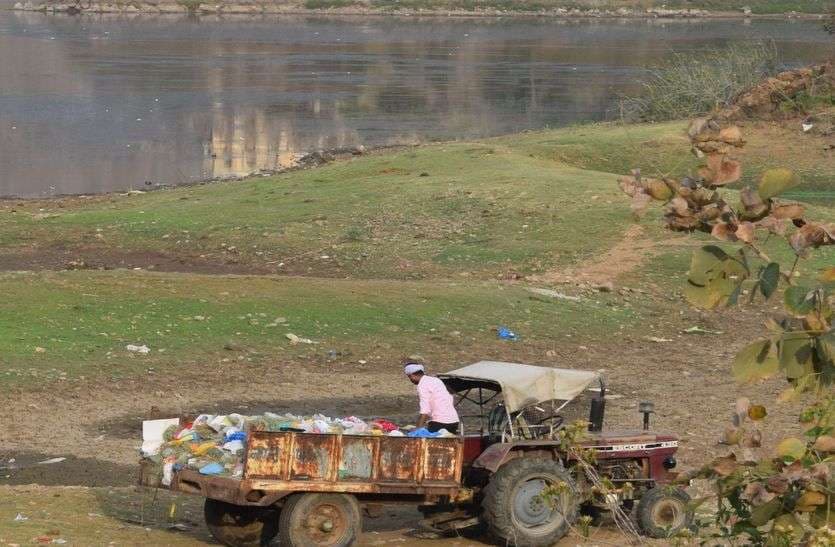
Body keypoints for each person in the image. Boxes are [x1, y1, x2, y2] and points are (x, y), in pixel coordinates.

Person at [404, 363, 460, 434]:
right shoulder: (435, 380)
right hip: (454, 421)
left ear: (412, 376)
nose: (411, 380)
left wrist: (418, 428)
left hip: (441, 422)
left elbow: (425, 409)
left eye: (409, 378)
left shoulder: (422, 384)